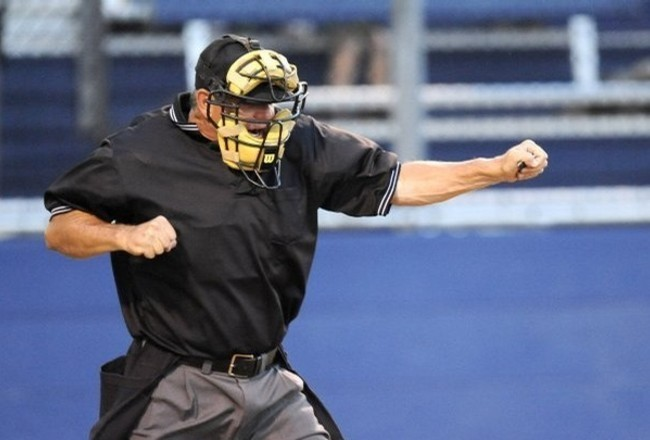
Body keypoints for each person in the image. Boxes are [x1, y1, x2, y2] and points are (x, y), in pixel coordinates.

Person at [43, 34, 548, 439]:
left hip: (268, 383)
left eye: (276, 107)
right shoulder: (140, 152)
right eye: (252, 108)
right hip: (180, 386)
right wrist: (123, 235)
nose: (268, 120)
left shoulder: (298, 141)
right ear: (207, 103)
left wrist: (492, 169)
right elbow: (62, 227)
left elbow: (399, 183)